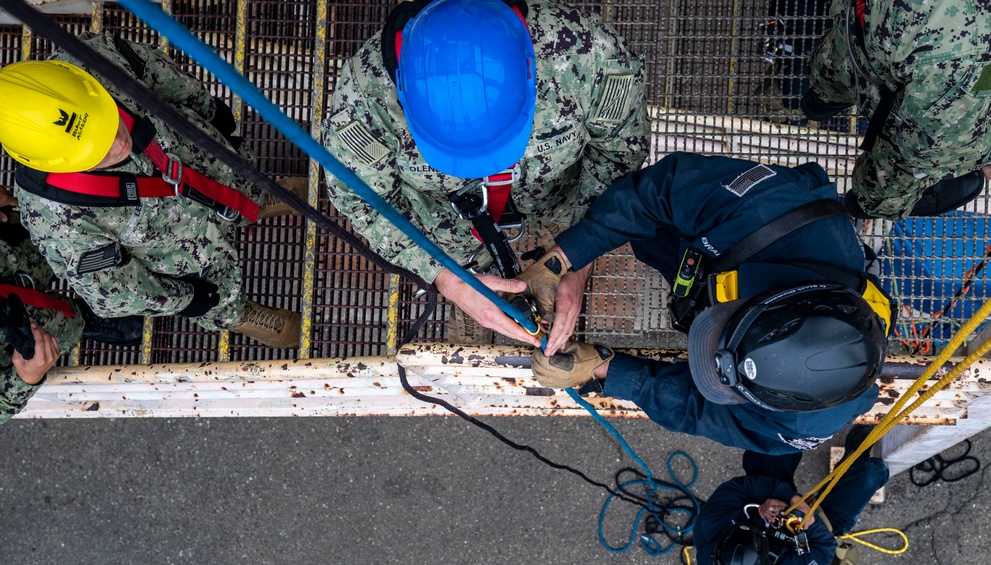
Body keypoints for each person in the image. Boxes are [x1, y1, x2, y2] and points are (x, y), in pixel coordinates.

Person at [321, 0, 650, 345]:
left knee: (576, 227)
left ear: (529, 70)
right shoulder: (363, 104)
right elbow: (364, 202)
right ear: (402, 91)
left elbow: (620, 153)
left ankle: (558, 238)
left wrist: (579, 255)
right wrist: (447, 278)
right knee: (460, 278)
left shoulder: (586, 55)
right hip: (446, 224)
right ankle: (473, 291)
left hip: (559, 196)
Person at [526, 152, 893, 455]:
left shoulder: (807, 421)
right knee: (643, 224)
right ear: (762, 296)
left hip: (723, 266)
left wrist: (606, 371)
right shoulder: (769, 210)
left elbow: (700, 412)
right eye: (721, 328)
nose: (709, 353)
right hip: (736, 243)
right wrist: (566, 260)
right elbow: (657, 193)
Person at [0, 32, 306, 349]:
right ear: (53, 161)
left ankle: (259, 200)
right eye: (99, 152)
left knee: (240, 189)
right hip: (182, 252)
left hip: (205, 166)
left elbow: (158, 73)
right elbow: (113, 291)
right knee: (215, 293)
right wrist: (187, 299)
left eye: (108, 123)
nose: (120, 144)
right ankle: (238, 311)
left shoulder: (90, 60)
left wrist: (212, 112)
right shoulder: (54, 219)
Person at [803, 0, 991, 220]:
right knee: (923, 144)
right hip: (928, 66)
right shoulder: (977, 46)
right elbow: (929, 145)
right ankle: (869, 201)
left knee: (846, 53)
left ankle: (822, 97)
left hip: (860, 25)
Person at [693, 428, 889, 565]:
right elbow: (824, 546)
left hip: (768, 499)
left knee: (777, 432)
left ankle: (800, 423)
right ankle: (855, 456)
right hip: (814, 532)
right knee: (872, 473)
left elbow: (738, 488)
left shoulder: (708, 527)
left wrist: (784, 496)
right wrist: (805, 520)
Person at [0, 188, 143, 423]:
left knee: (63, 240)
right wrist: (25, 379)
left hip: (15, 246)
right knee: (65, 326)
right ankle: (85, 318)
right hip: (22, 332)